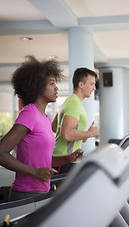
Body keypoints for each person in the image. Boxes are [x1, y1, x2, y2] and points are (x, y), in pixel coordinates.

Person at [0, 56, 83, 201]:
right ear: (37, 87)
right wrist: (35, 172)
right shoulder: (30, 113)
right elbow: (1, 152)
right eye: (52, 84)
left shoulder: (45, 118)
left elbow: (43, 160)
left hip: (42, 191)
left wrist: (67, 158)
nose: (56, 88)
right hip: (25, 193)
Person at [52, 67, 98, 174]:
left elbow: (54, 127)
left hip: (63, 158)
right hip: (64, 160)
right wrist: (90, 133)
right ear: (81, 85)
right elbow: (66, 135)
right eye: (91, 84)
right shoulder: (74, 104)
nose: (94, 88)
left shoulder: (69, 101)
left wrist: (86, 135)